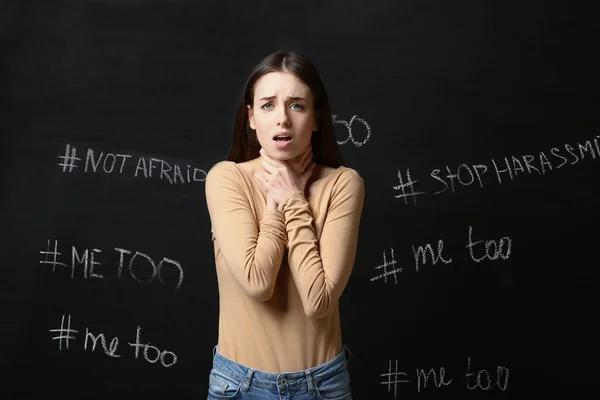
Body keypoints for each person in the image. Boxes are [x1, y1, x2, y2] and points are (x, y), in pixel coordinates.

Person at [204, 50, 365, 400]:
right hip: (238, 386)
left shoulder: (343, 184)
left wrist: (294, 199)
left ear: (317, 118)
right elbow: (258, 281)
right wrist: (277, 203)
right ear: (250, 118)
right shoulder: (226, 179)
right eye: (267, 105)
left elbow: (318, 301)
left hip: (321, 387)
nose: (282, 120)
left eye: (296, 105)